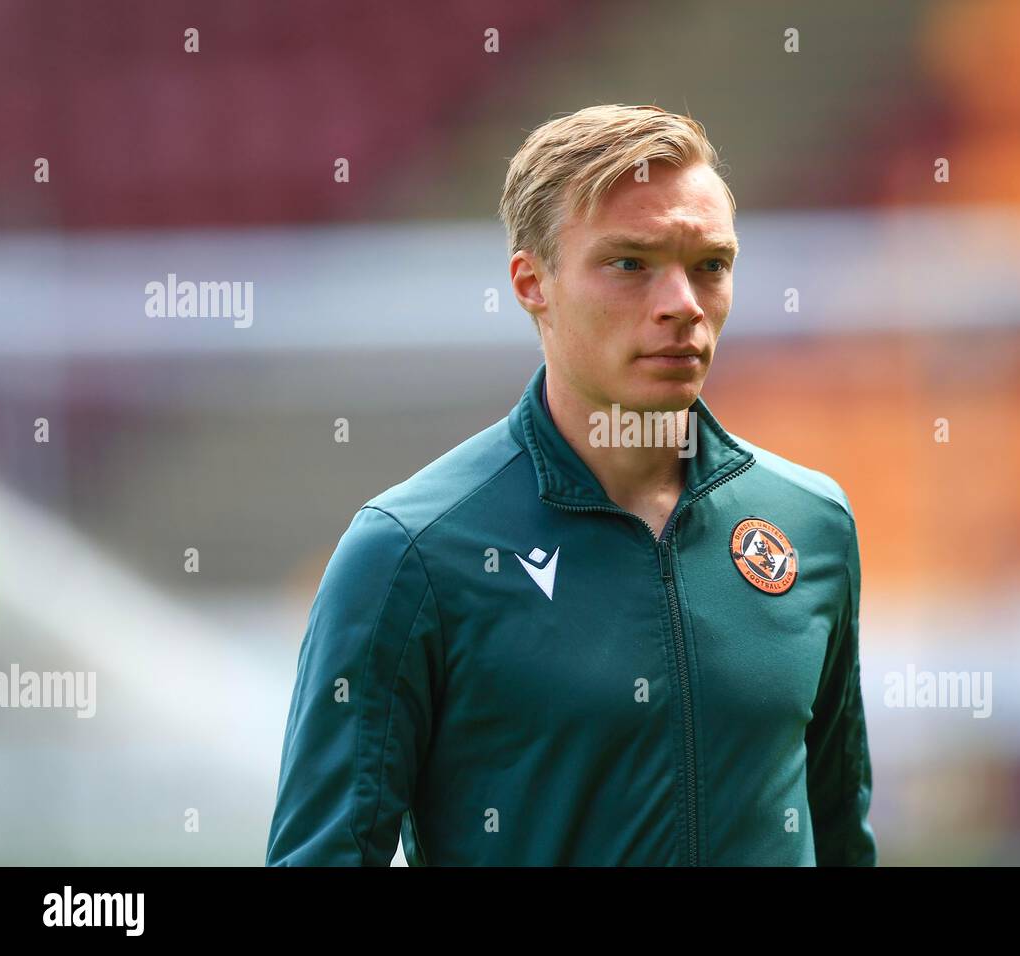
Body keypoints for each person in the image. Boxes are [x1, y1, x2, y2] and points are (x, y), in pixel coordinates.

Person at [265, 103, 876, 866]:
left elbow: (840, 834)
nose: (682, 305)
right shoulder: (411, 553)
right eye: (630, 264)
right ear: (532, 283)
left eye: (710, 265)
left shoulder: (809, 522)